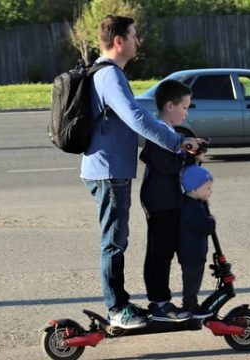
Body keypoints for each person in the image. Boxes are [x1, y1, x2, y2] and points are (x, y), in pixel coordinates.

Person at [80, 15, 200, 329]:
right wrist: (177, 142)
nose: (138, 41)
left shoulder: (107, 74)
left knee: (117, 239)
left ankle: (119, 303)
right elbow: (135, 117)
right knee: (114, 242)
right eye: (133, 36)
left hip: (109, 169)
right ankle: (116, 309)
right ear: (118, 41)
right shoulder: (109, 76)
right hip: (107, 171)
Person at [139, 79, 194, 322]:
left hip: (166, 200)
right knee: (160, 252)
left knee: (163, 251)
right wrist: (185, 155)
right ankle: (160, 301)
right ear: (170, 106)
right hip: (161, 202)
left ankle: (159, 299)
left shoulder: (170, 132)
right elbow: (163, 163)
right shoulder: (159, 132)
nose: (187, 112)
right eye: (185, 107)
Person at [179, 164, 216, 319]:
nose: (210, 191)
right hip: (192, 254)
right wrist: (212, 221)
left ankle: (190, 302)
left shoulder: (192, 203)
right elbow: (204, 227)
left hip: (191, 251)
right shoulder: (192, 208)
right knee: (192, 282)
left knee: (192, 280)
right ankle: (190, 305)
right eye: (207, 189)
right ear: (194, 190)